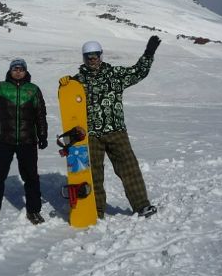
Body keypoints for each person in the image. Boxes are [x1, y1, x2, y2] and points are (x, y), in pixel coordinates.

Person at [59, 36, 161, 219]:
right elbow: (68, 103)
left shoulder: (115, 74)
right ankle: (95, 210)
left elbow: (138, 72)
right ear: (84, 58)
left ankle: (142, 206)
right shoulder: (77, 81)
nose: (92, 59)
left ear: (101, 55)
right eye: (89, 56)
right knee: (93, 174)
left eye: (95, 55)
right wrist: (65, 86)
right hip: (91, 135)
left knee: (129, 168)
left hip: (116, 131)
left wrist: (149, 53)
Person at [0, 58, 48, 225]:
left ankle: (34, 211)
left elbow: (40, 114)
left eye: (21, 69)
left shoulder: (33, 90)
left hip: (27, 141)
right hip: (4, 140)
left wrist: (42, 135)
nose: (18, 72)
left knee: (31, 178)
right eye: (15, 69)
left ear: (25, 71)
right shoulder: (2, 87)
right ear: (10, 71)